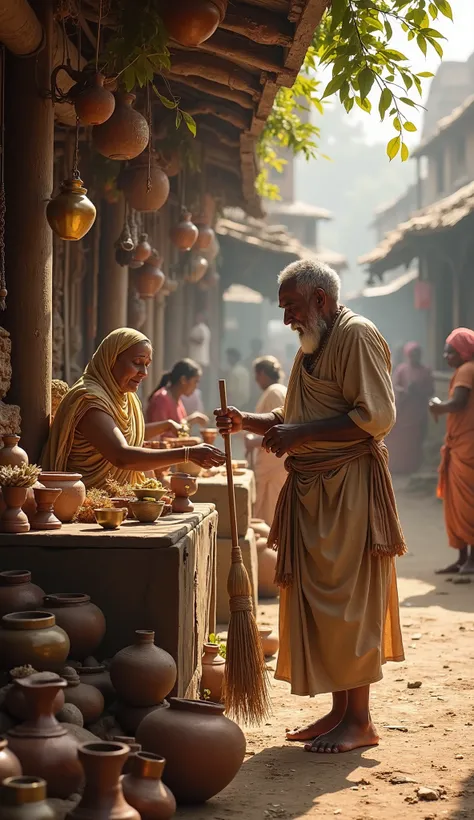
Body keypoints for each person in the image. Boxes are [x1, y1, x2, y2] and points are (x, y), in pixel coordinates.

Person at [215, 259, 405, 754]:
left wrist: (300, 434)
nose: (286, 320)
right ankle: (340, 713)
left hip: (348, 490)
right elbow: (293, 417)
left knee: (347, 604)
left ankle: (360, 721)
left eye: (292, 308)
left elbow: (375, 418)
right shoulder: (311, 348)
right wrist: (246, 421)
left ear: (320, 299)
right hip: (312, 492)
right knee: (322, 607)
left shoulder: (357, 336)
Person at [42, 328, 224, 490]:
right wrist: (188, 454)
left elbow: (129, 435)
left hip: (123, 496)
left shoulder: (126, 397)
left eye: (147, 365)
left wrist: (167, 426)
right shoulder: (90, 400)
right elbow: (122, 456)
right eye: (137, 362)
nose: (144, 373)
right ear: (111, 360)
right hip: (89, 499)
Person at [429, 328, 474, 576]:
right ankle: (463, 557)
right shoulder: (462, 370)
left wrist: (438, 407)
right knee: (458, 503)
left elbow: (458, 403)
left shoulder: (467, 370)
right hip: (460, 444)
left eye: (451, 351)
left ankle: (471, 559)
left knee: (469, 505)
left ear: (464, 351)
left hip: (468, 446)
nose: (446, 356)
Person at [245, 356, 287, 526]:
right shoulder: (279, 391)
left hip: (274, 465)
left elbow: (280, 429)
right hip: (273, 464)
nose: (256, 380)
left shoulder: (275, 392)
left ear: (261, 373)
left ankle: (271, 552)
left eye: (256, 376)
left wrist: (252, 441)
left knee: (270, 518)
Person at [386, 342, 434, 475]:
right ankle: (399, 467)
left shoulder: (426, 370)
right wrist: (406, 390)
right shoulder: (401, 369)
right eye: (412, 354)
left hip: (418, 411)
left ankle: (414, 467)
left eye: (417, 354)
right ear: (407, 355)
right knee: (402, 440)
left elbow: (430, 390)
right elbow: (395, 386)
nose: (415, 357)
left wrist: (418, 391)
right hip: (403, 410)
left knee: (416, 440)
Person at [146, 359, 209, 430]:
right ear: (183, 380)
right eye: (195, 381)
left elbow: (178, 428)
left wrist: (194, 419)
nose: (196, 386)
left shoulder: (177, 400)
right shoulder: (161, 399)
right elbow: (157, 434)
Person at [188, 312, 211, 407]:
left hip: (199, 358)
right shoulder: (201, 328)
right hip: (197, 358)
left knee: (196, 381)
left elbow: (201, 340)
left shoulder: (202, 328)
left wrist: (191, 339)